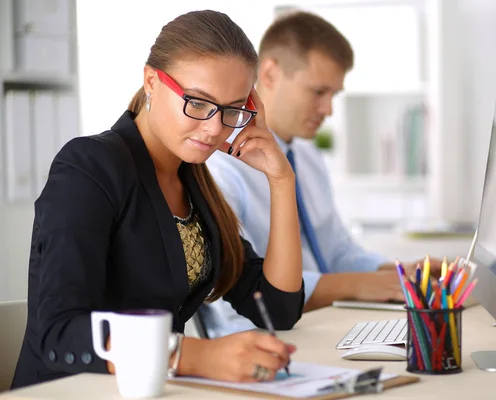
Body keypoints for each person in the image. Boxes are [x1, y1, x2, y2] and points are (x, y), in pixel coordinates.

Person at [11, 10, 304, 389]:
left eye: (232, 109)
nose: (215, 128)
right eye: (198, 102)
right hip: (71, 390)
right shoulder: (89, 167)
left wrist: (281, 180)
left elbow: (276, 309)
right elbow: (59, 331)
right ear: (151, 81)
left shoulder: (193, 179)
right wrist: (192, 355)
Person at [202, 11, 440, 338]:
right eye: (318, 92)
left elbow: (337, 251)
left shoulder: (307, 156)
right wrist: (359, 285)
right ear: (270, 74)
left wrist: (401, 274)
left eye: (333, 95)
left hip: (320, 324)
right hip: (260, 334)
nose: (328, 109)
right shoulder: (219, 166)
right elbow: (242, 287)